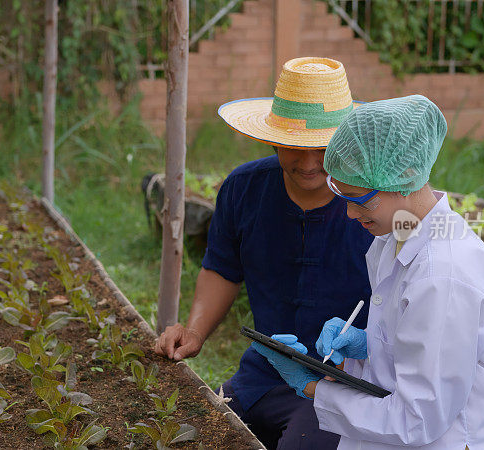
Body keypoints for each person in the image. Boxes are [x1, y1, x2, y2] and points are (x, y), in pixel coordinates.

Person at [252, 95, 484, 449]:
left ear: (405, 178)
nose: (349, 214)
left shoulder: (443, 276)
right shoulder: (395, 235)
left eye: (358, 199)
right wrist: (369, 347)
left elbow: (416, 419)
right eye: (342, 196)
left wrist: (312, 386)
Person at [154, 57, 374, 449]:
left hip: (342, 384)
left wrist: (364, 348)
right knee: (192, 433)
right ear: (272, 138)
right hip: (264, 371)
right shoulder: (244, 189)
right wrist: (194, 331)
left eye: (321, 148)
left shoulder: (373, 206)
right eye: (293, 146)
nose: (308, 163)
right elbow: (222, 268)